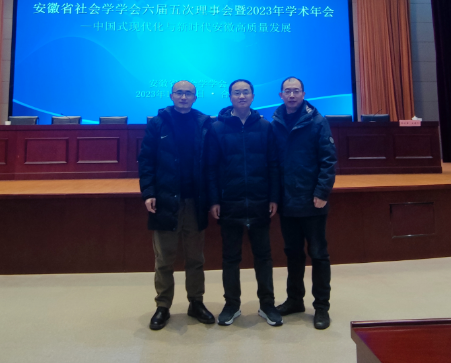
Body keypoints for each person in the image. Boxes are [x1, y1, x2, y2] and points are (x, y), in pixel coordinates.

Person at [138, 80, 215, 330]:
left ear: (195, 97)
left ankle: (196, 302)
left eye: (188, 93)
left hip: (195, 201)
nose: (183, 97)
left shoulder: (204, 123)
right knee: (164, 258)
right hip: (165, 200)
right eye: (179, 93)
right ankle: (163, 306)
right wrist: (148, 192)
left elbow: (211, 163)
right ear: (171, 96)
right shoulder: (158, 123)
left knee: (195, 258)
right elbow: (146, 160)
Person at [208, 79, 282, 327]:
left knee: (264, 257)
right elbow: (211, 168)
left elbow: (273, 165)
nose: (241, 96)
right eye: (237, 93)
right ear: (230, 97)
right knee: (231, 258)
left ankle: (267, 304)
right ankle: (231, 305)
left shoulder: (265, 127)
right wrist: (214, 200)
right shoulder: (217, 128)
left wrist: (273, 197)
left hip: (260, 201)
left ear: (252, 96)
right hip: (229, 201)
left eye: (246, 92)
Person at [272, 77, 336, 330]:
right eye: (287, 91)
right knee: (293, 254)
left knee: (318, 254)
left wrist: (322, 192)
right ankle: (295, 300)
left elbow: (328, 160)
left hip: (313, 200)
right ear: (280, 95)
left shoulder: (317, 121)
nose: (291, 95)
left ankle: (321, 306)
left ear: (303, 93)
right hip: (287, 201)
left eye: (296, 91)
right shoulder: (275, 122)